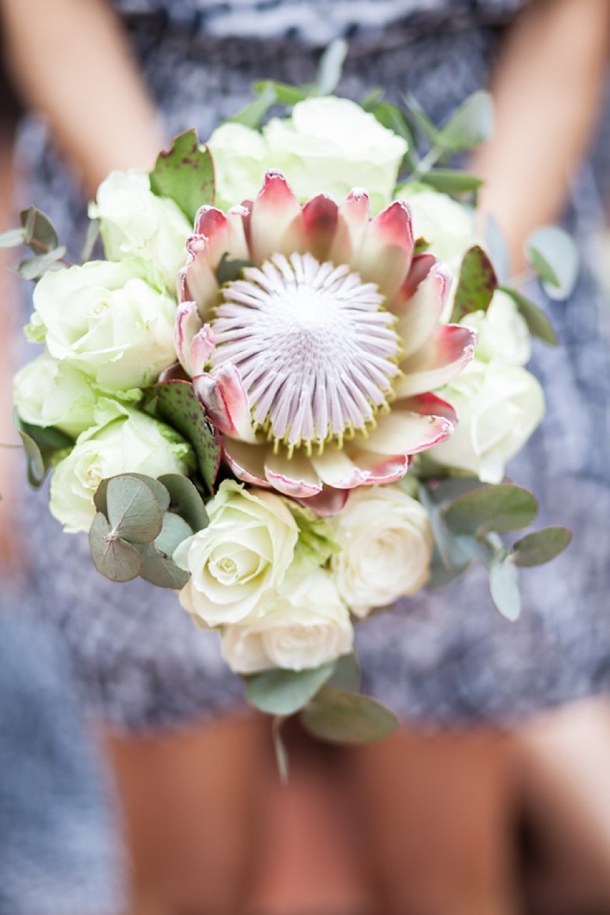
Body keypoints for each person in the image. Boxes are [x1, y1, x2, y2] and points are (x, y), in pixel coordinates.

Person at [1, 1, 610, 912]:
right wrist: (168, 248)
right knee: (183, 885)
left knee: (450, 884)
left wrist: (460, 280)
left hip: (472, 203)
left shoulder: (463, 302)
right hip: (142, 181)